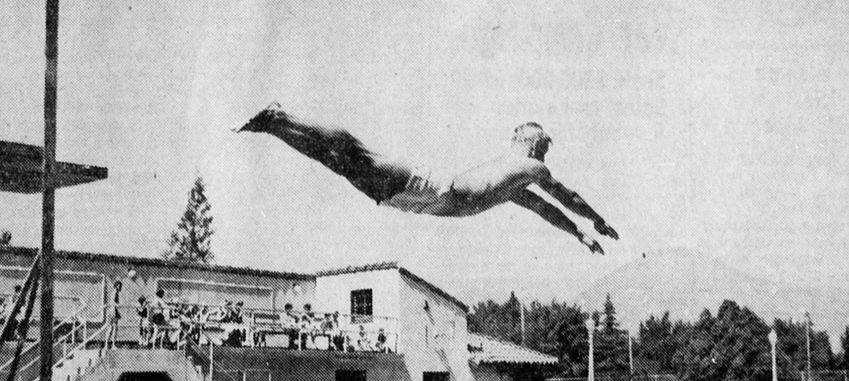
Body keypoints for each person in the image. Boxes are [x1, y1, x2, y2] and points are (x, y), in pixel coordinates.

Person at [238, 103, 620, 255]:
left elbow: (546, 210)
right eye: (543, 146)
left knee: (336, 163)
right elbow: (565, 196)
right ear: (529, 141)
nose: (545, 155)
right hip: (430, 187)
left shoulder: (513, 187)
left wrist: (581, 235)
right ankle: (283, 116)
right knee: (354, 151)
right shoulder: (529, 166)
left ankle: (275, 128)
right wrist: (596, 220)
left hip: (417, 203)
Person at [105, 280, 122, 349]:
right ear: (117, 286)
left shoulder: (115, 292)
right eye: (119, 286)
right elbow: (112, 301)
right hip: (112, 311)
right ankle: (111, 345)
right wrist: (118, 305)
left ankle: (109, 345)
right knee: (112, 328)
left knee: (112, 329)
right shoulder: (115, 292)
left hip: (113, 311)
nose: (120, 287)